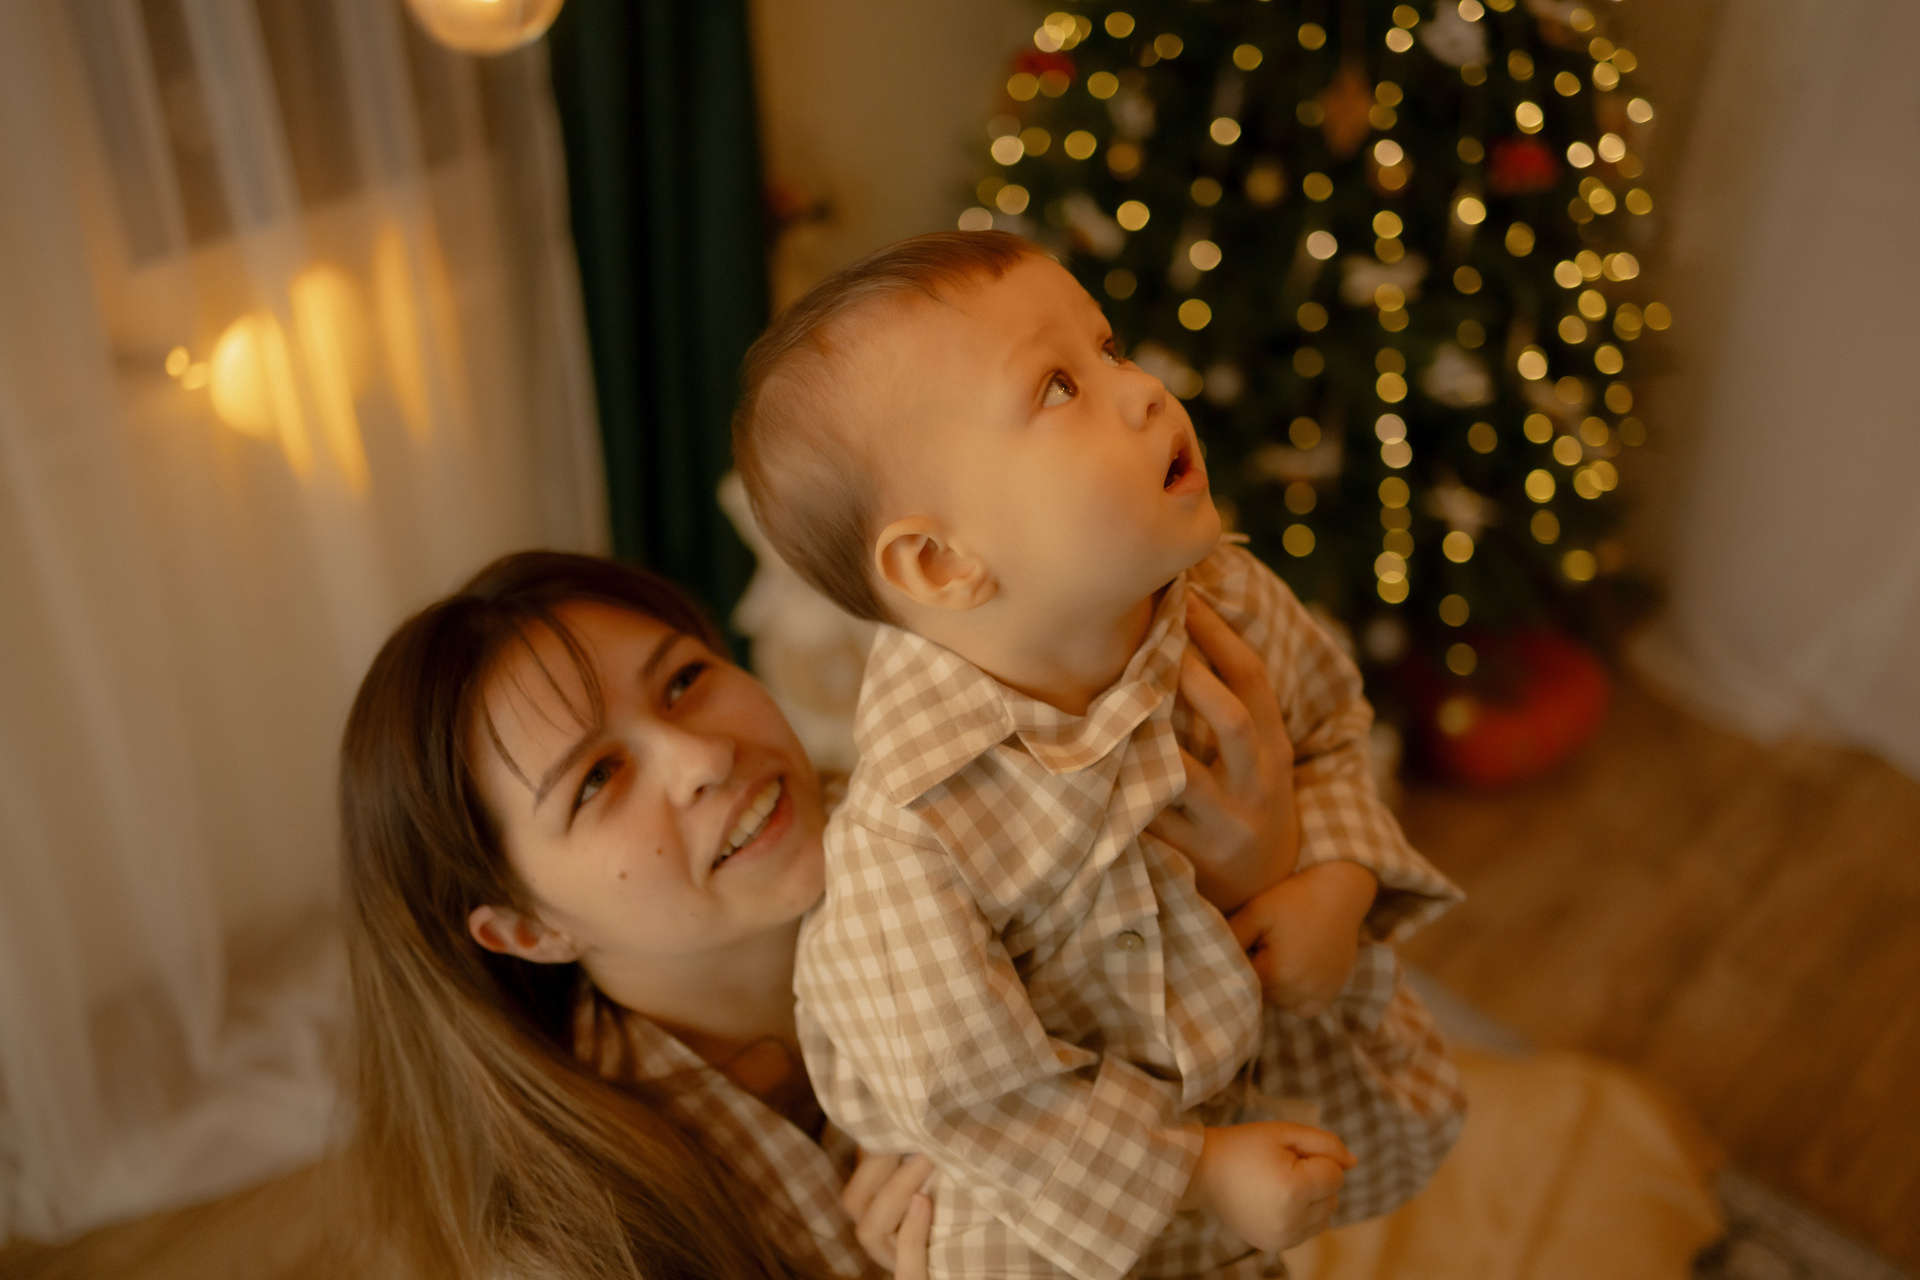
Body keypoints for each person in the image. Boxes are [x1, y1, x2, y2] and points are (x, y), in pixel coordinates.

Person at [733, 231, 1467, 1280]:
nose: (1146, 389)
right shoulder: (911, 834)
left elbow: (1330, 732)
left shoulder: (1225, 600)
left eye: (1110, 348)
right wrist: (1200, 1170)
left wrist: (1337, 882)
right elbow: (974, 1093)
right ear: (941, 561)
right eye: (1058, 387)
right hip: (1054, 1204)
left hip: (1244, 1080)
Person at [339, 549, 1303, 1279]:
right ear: (529, 931)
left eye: (684, 681)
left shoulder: (969, 823)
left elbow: (1270, 1100)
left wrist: (1255, 884)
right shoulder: (566, 1239)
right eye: (596, 780)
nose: (702, 757)